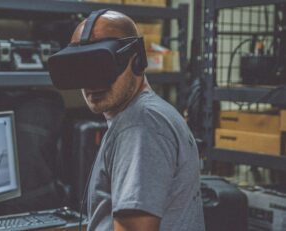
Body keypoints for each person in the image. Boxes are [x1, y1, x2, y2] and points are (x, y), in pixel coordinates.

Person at [71, 11, 205, 231]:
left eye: (103, 67)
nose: (92, 82)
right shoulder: (148, 114)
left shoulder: (140, 125)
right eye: (84, 69)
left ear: (137, 62)